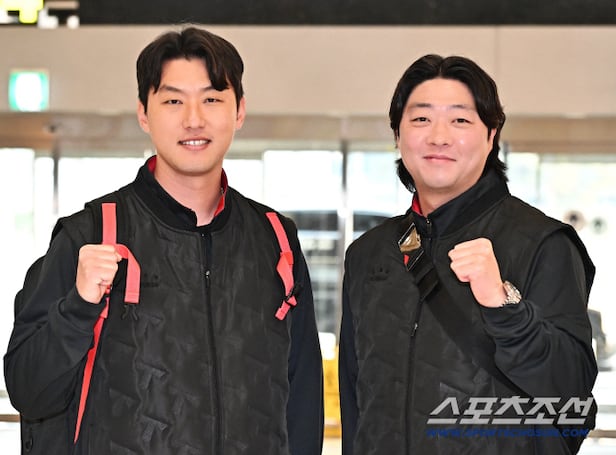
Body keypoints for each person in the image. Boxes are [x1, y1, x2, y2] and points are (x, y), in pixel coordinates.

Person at [4, 26, 323, 455]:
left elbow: (302, 399)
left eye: (212, 99)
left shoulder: (275, 239)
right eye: (173, 101)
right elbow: (28, 391)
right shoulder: (91, 235)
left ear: (239, 111)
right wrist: (78, 307)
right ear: (143, 113)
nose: (193, 119)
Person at [338, 54, 597, 454]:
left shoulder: (543, 243)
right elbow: (355, 397)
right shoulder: (369, 253)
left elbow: (572, 391)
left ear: (491, 135)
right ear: (398, 135)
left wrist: (505, 305)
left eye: (460, 119)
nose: (439, 136)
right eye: (421, 119)